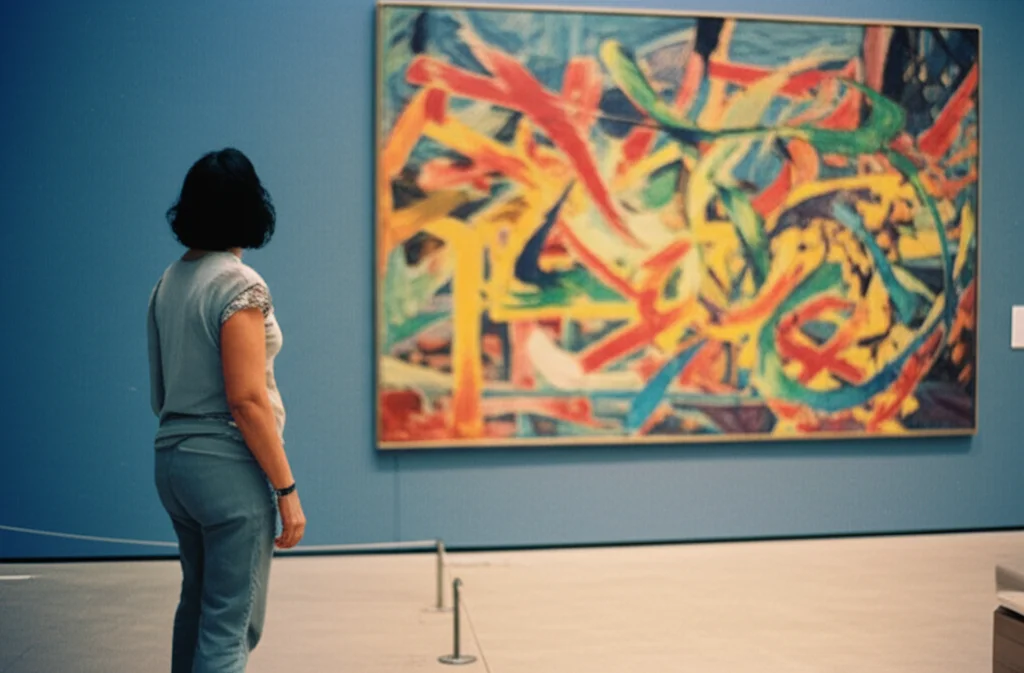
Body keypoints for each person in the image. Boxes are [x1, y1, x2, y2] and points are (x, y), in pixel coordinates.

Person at [146, 147, 306, 673]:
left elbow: (160, 391)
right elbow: (246, 399)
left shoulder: (169, 282)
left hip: (173, 462)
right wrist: (286, 489)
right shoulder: (239, 285)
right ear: (250, 207)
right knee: (229, 627)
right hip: (226, 470)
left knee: (195, 608)